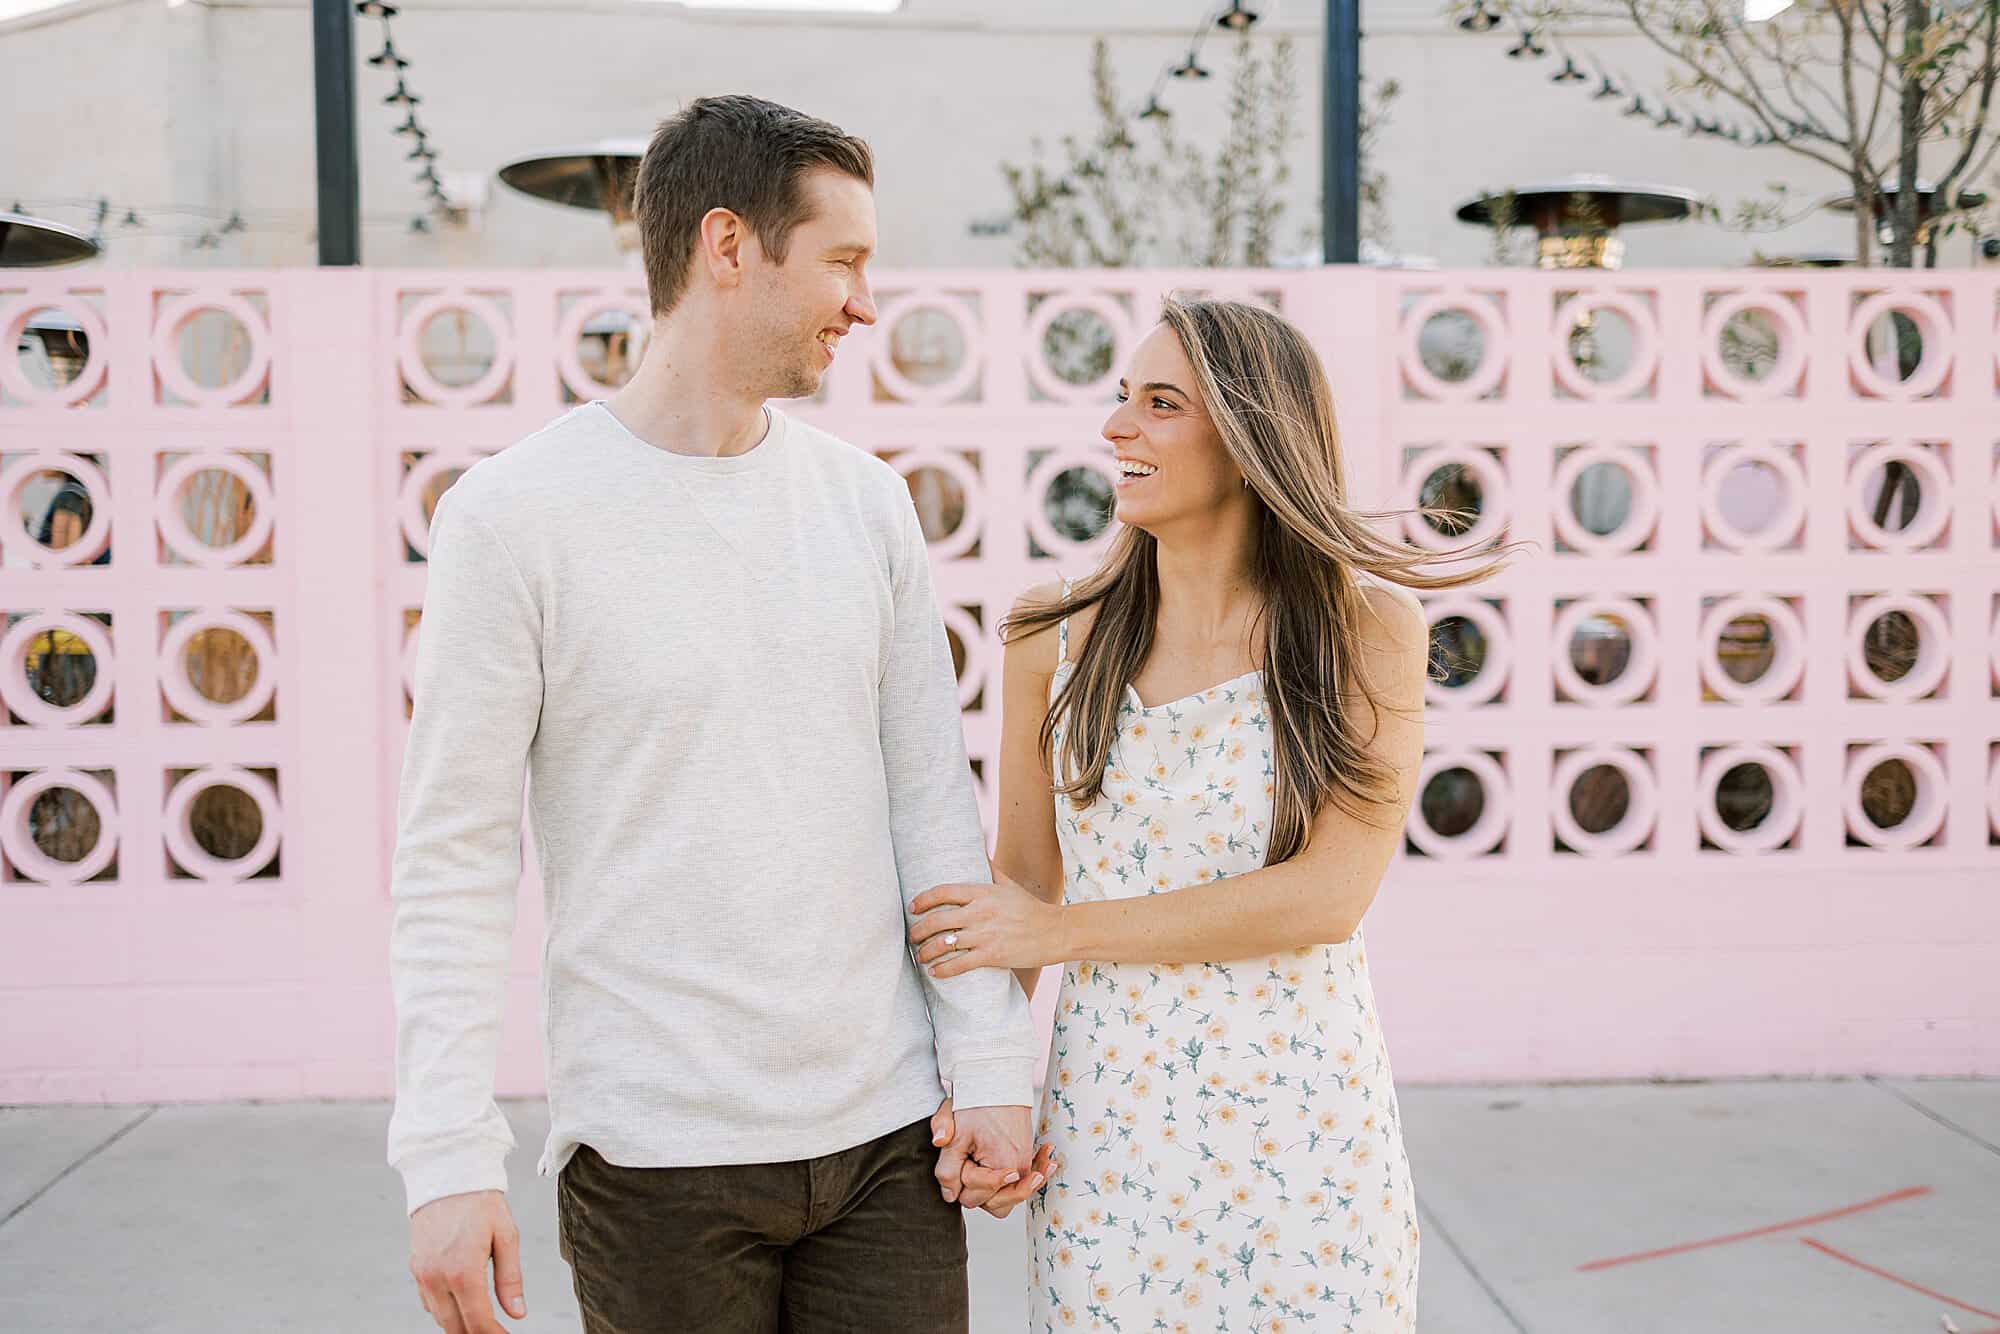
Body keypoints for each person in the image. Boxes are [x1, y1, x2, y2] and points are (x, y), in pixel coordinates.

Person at [388, 95, 1043, 1334]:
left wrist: (990, 1063)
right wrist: (444, 1150)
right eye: (842, 261)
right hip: (652, 1157)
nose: (863, 302)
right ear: (729, 247)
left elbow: (928, 806)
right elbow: (453, 858)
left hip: (888, 1145)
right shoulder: (511, 517)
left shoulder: (865, 504)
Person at [916, 297, 1507, 1331]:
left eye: (1158, 404)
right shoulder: (1046, 635)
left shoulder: (1363, 628)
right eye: (1119, 400)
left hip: (1309, 1146)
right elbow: (1021, 885)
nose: (1115, 429)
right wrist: (981, 1089)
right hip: (1109, 1136)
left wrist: (1063, 931)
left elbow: (1330, 893)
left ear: (1246, 441)